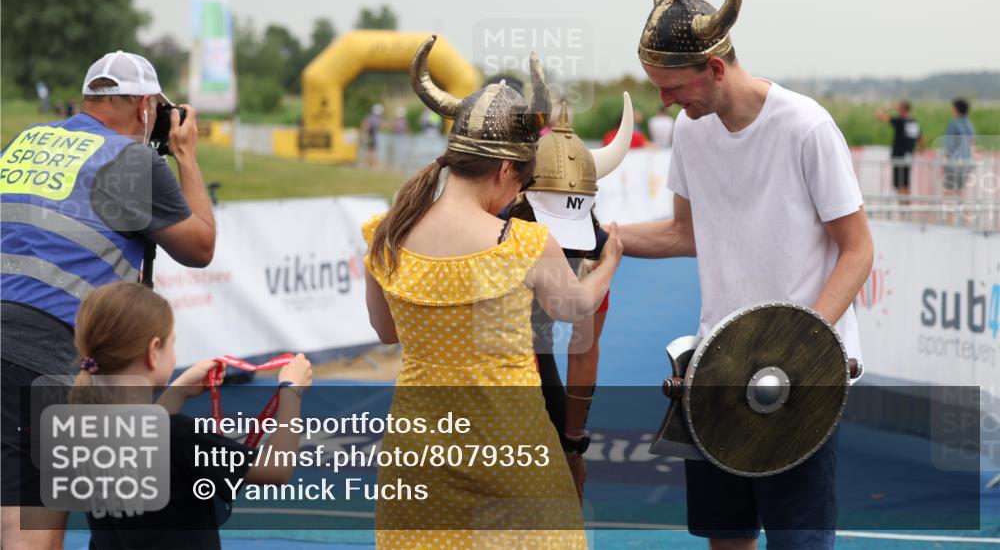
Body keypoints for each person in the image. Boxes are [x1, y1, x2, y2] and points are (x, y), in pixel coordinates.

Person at [617, 0, 873, 550]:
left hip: (798, 378)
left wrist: (805, 344)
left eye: (672, 86)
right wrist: (608, 237)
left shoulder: (806, 127)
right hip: (717, 366)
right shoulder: (692, 130)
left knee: (797, 542)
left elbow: (858, 249)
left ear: (714, 66)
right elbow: (685, 233)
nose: (664, 100)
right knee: (725, 537)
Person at [363, 36, 623, 548]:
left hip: (418, 453)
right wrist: (608, 261)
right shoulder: (519, 241)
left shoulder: (385, 233)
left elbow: (385, 331)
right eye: (521, 180)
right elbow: (574, 306)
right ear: (506, 169)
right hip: (511, 449)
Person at [1, 50, 216, 549]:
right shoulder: (133, 161)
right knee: (35, 531)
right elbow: (200, 247)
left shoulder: (26, 141)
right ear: (146, 108)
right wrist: (185, 155)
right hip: (48, 353)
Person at [68, 282, 313, 550]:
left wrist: (177, 392)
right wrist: (292, 391)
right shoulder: (179, 436)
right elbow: (275, 470)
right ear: (153, 351)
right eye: (172, 343)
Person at [502, 83, 633, 500]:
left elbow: (583, 349)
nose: (557, 247)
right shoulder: (488, 228)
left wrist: (573, 440)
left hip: (533, 366)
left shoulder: (595, 252)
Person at [875, 100, 923, 199]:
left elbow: (879, 116)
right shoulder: (914, 122)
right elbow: (922, 140)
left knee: (900, 184)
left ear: (902, 109)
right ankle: (906, 210)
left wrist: (887, 106)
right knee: (906, 184)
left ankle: (902, 210)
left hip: (898, 157)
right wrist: (919, 150)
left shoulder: (900, 121)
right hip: (908, 157)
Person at [942, 97, 976, 201]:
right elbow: (972, 142)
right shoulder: (969, 124)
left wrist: (945, 163)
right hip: (966, 162)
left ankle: (950, 218)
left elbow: (950, 146)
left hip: (954, 163)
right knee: (961, 192)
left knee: (948, 193)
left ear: (956, 109)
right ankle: (967, 217)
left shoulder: (954, 124)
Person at [363, 103, 385, 167]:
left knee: (369, 150)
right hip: (371, 136)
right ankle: (371, 164)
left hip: (370, 136)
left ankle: (369, 164)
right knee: (371, 151)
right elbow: (382, 124)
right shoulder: (374, 118)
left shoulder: (369, 117)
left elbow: (365, 125)